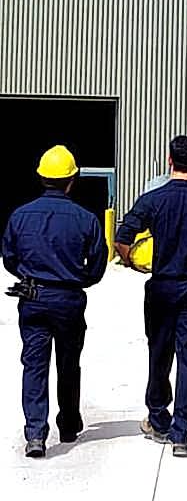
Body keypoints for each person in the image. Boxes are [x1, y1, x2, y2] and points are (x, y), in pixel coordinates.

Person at [115, 136, 187, 458]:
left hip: (162, 286)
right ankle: (182, 434)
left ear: (169, 159)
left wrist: (135, 261)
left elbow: (122, 237)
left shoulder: (153, 200)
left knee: (159, 353)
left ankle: (158, 418)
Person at [2, 145, 108, 458]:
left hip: (33, 298)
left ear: (41, 177)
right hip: (69, 299)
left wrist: (28, 275)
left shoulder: (20, 215)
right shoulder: (87, 219)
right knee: (68, 363)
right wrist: (77, 282)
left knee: (34, 365)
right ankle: (69, 423)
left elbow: (9, 258)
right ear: (72, 179)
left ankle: (35, 434)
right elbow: (98, 265)